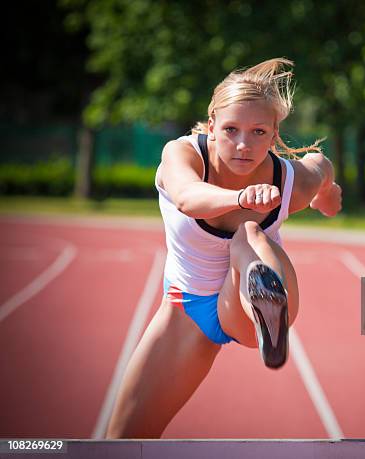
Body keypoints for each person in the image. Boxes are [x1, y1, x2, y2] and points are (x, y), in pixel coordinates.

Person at [105, 58, 342, 438]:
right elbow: (186, 197)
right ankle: (262, 298)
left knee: (249, 232)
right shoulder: (181, 155)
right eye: (231, 129)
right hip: (186, 311)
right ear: (211, 125)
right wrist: (240, 197)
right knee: (121, 441)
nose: (244, 145)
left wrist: (326, 196)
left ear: (273, 133)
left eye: (258, 132)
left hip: (246, 311)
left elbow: (320, 165)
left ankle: (267, 307)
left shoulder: (289, 184)